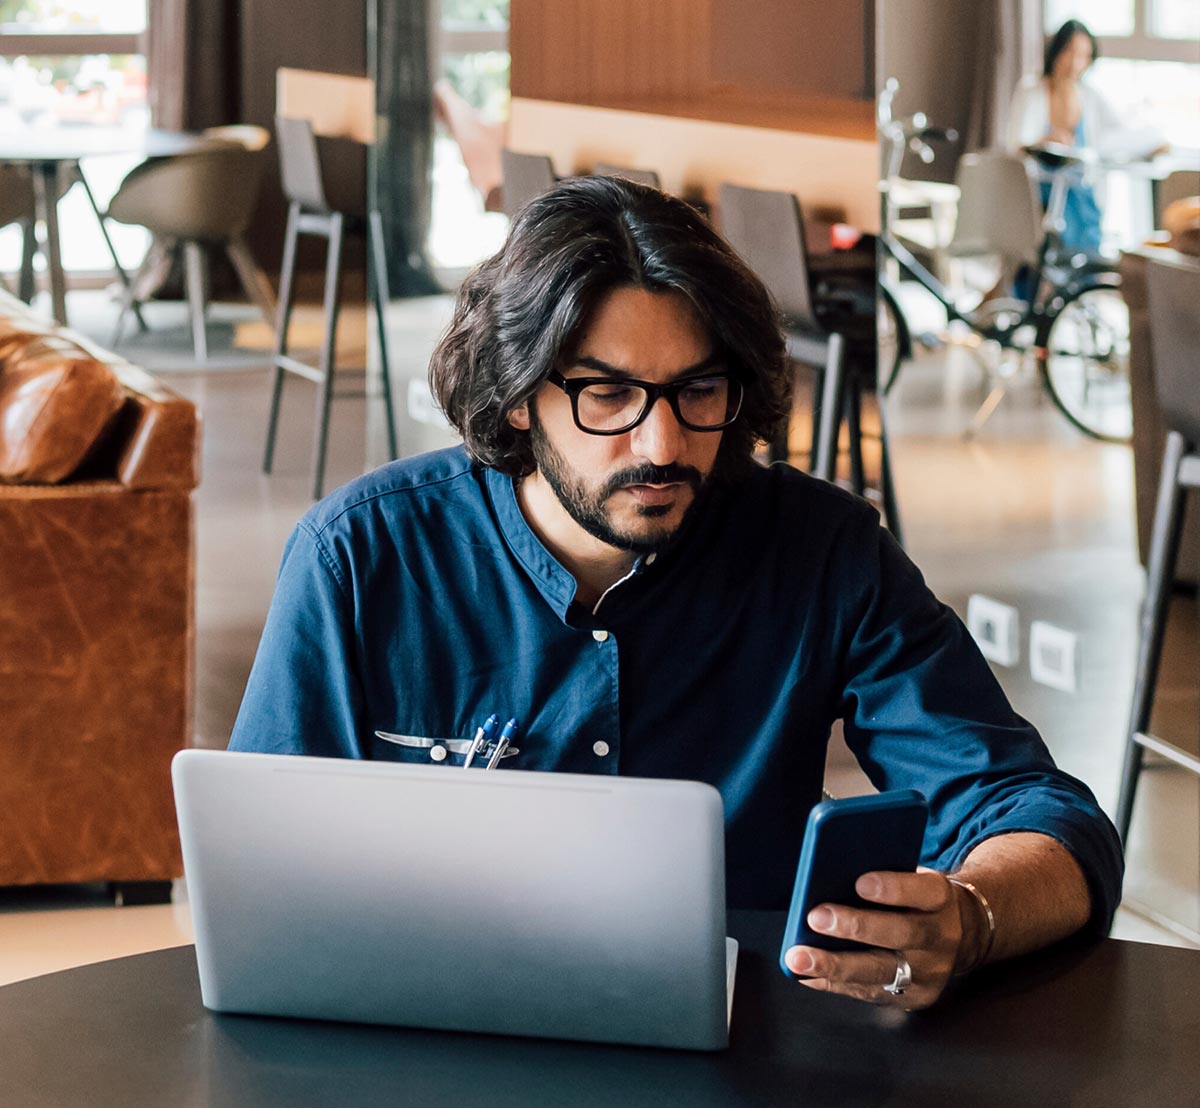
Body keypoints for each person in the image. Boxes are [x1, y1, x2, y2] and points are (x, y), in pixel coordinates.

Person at [230, 176, 1123, 1011]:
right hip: (429, 1050)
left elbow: (1042, 816)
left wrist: (972, 918)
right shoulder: (362, 557)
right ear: (515, 398)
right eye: (608, 394)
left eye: (699, 390)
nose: (661, 443)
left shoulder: (820, 553)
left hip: (747, 1073)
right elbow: (265, 877)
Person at [1007, 18, 1167, 253]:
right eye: (1070, 52)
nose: (1074, 63)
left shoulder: (1090, 97)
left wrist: (1154, 143)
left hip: (1080, 200)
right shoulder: (1032, 91)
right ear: (1056, 51)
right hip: (1036, 194)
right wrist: (1043, 142)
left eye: (1083, 56)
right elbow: (1016, 144)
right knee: (1033, 256)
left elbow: (1121, 135)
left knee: (1085, 251)